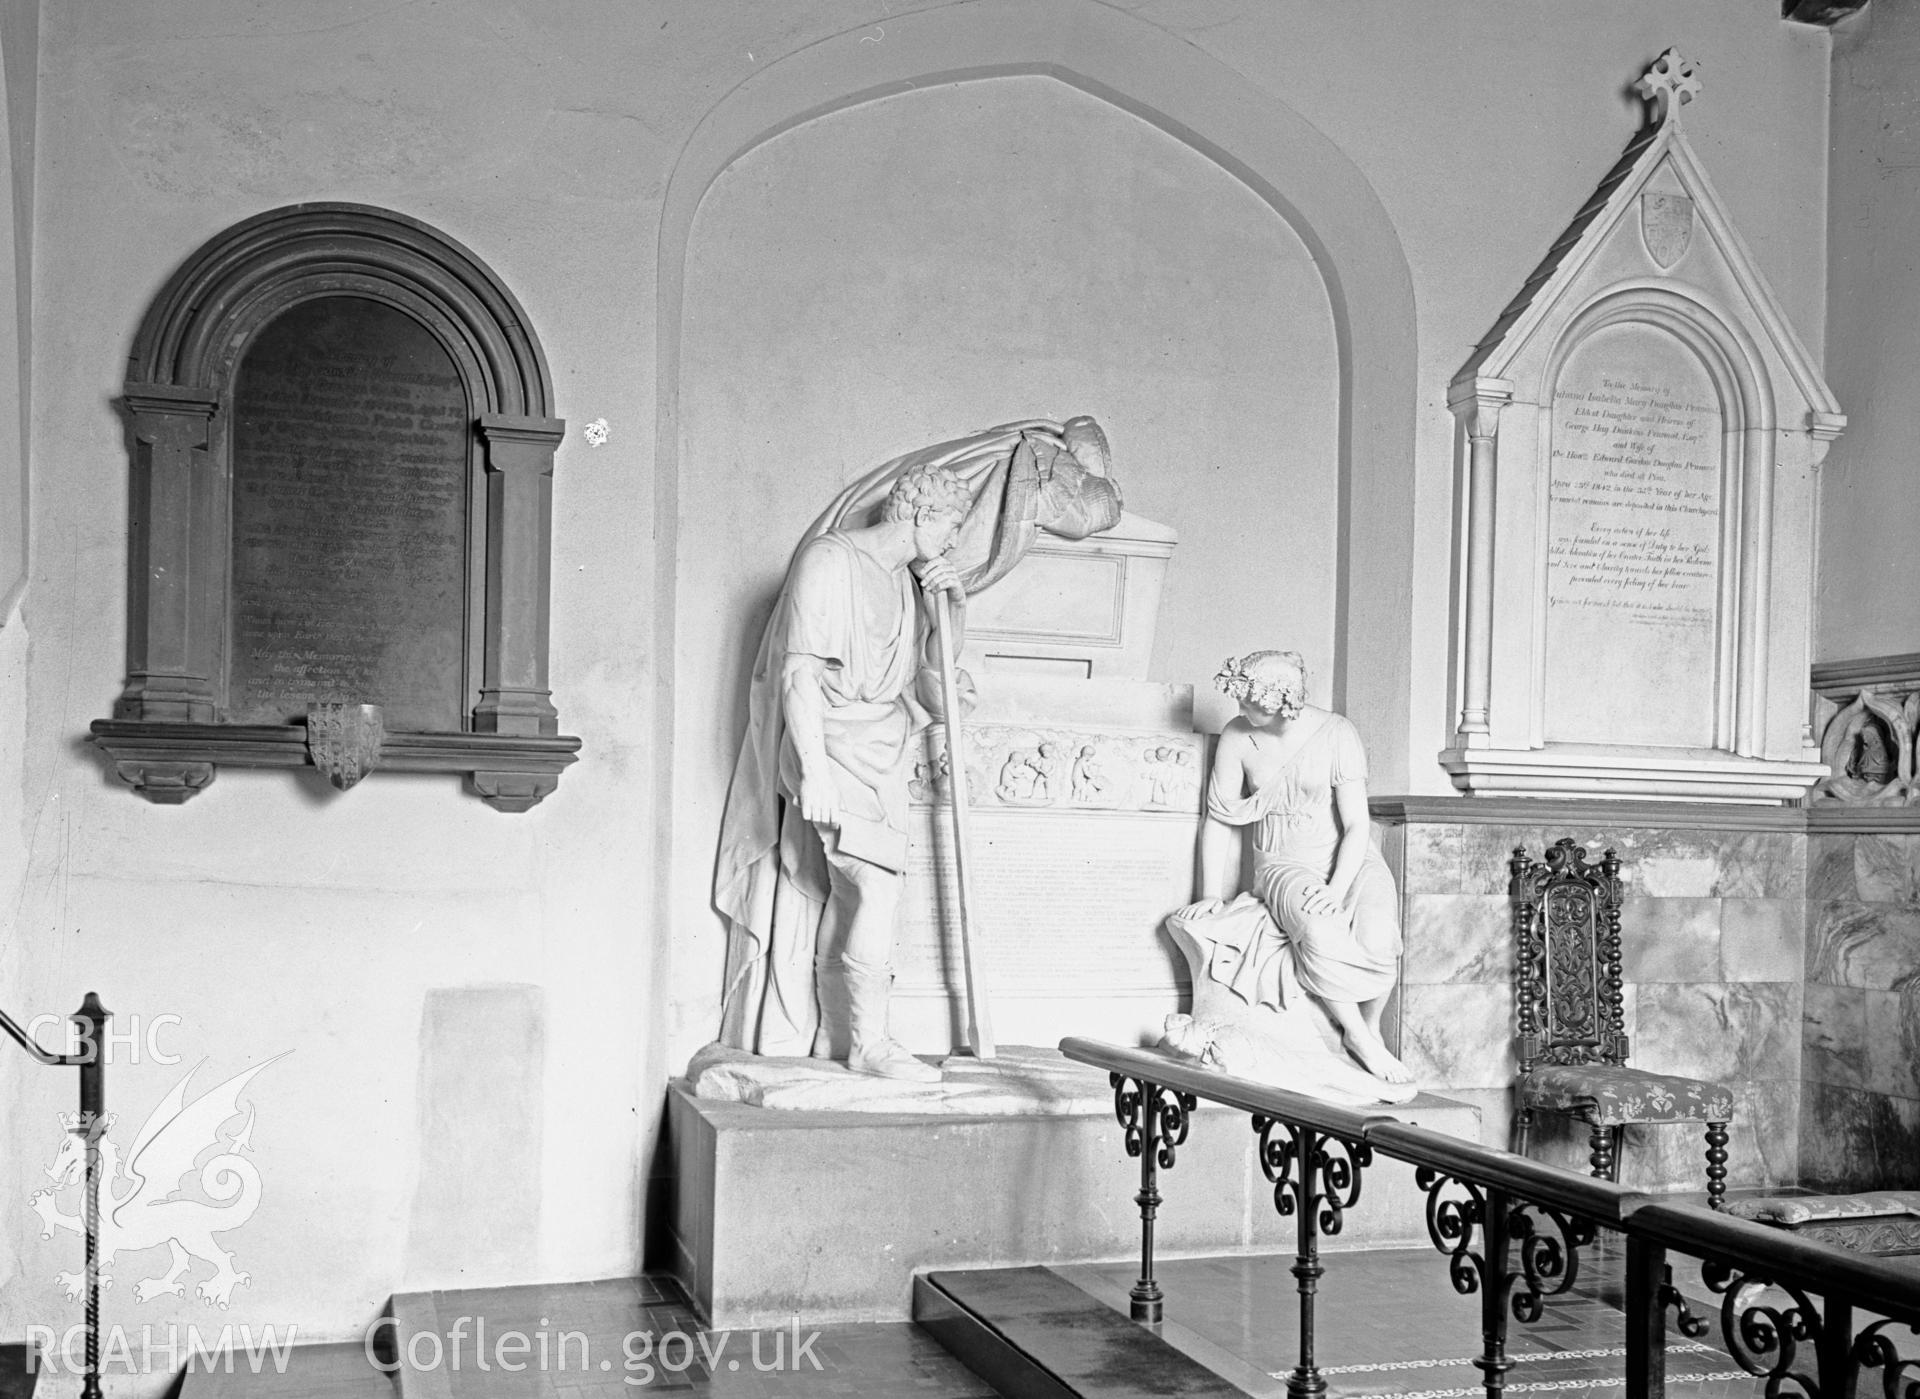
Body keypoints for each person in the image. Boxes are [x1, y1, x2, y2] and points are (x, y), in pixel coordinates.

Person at [714, 417, 1124, 1073]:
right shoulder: (831, 561)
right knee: (875, 888)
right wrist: (814, 770)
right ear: (920, 514)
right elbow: (798, 674)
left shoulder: (909, 586)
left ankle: (837, 1037)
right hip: (828, 744)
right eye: (949, 528)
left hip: (880, 747)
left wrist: (952, 601)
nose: (953, 540)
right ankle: (873, 1044)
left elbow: (930, 672)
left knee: (854, 894)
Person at [1193, 650, 1410, 1083]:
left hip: (1349, 855)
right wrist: (1210, 894)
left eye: (1250, 703)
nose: (1240, 710)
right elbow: (1218, 817)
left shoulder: (1337, 733)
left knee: (1380, 935)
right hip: (1285, 861)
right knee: (1319, 932)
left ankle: (1369, 1026)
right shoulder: (1238, 737)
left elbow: (1355, 825)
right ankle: (1358, 1036)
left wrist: (1336, 888)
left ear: (1282, 701)